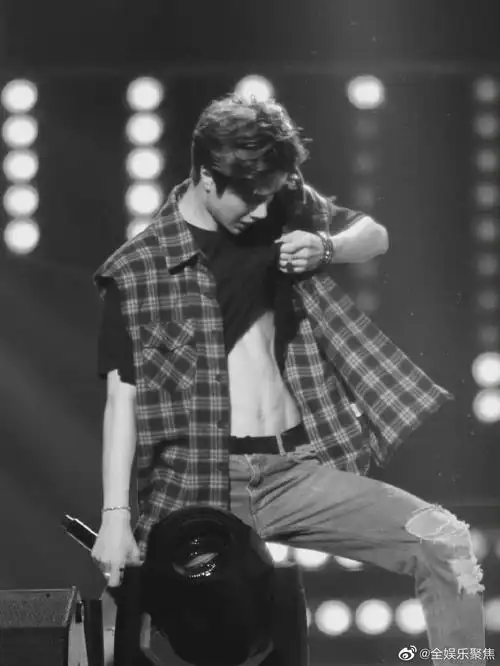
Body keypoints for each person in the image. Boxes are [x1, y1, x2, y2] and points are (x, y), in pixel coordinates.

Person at [92, 94, 485, 665]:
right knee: (178, 628)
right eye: (250, 197)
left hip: (295, 471)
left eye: (270, 194)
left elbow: (374, 235)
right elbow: (121, 399)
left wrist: (328, 247)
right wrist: (115, 517)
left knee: (444, 542)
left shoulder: (281, 206)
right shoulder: (137, 270)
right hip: (201, 487)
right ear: (206, 177)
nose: (261, 209)